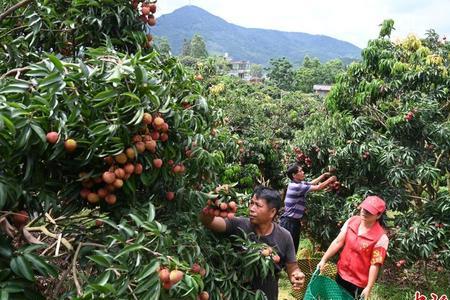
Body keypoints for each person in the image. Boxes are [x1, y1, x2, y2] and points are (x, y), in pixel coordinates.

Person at [199, 186, 305, 300]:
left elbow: (292, 267)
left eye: (258, 205)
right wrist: (209, 210)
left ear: (272, 212)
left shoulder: (284, 236)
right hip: (237, 294)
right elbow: (210, 223)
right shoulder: (238, 224)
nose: (252, 208)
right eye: (251, 203)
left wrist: (296, 275)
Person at [317, 196, 389, 299]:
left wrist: (368, 287)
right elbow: (338, 242)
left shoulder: (381, 238)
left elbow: (375, 264)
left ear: (378, 215)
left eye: (369, 211)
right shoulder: (352, 221)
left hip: (359, 282)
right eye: (364, 208)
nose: (364, 212)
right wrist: (323, 259)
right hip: (341, 273)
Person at [280, 163, 337, 253]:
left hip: (292, 221)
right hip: (289, 223)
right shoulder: (297, 187)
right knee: (288, 250)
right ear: (294, 175)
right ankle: (285, 266)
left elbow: (312, 183)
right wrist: (330, 179)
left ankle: (288, 266)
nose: (303, 172)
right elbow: (318, 187)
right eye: (300, 171)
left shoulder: (296, 183)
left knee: (292, 249)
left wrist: (323, 175)